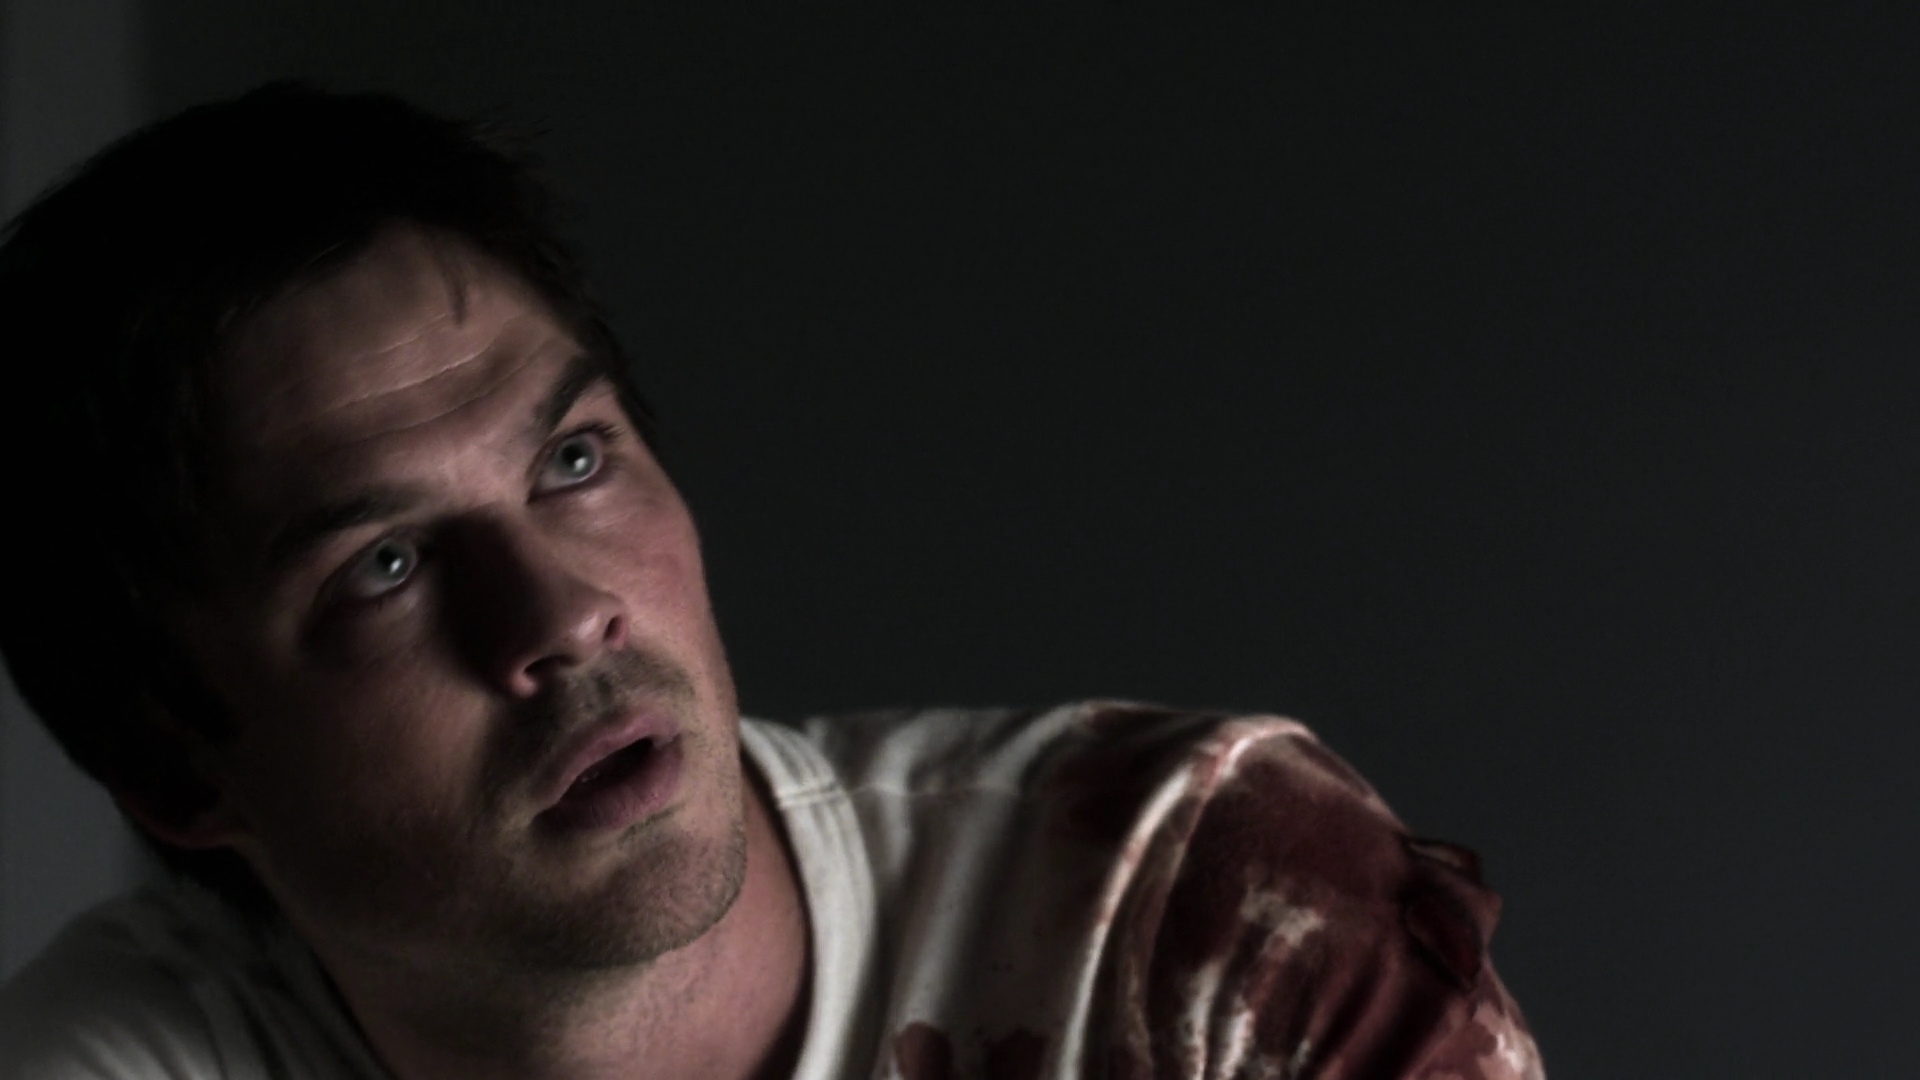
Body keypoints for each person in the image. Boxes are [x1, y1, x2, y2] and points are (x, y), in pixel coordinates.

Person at [0, 85, 1543, 1080]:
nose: (563, 617)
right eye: (385, 567)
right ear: (178, 774)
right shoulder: (133, 1055)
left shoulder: (1198, 909)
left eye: (574, 461)